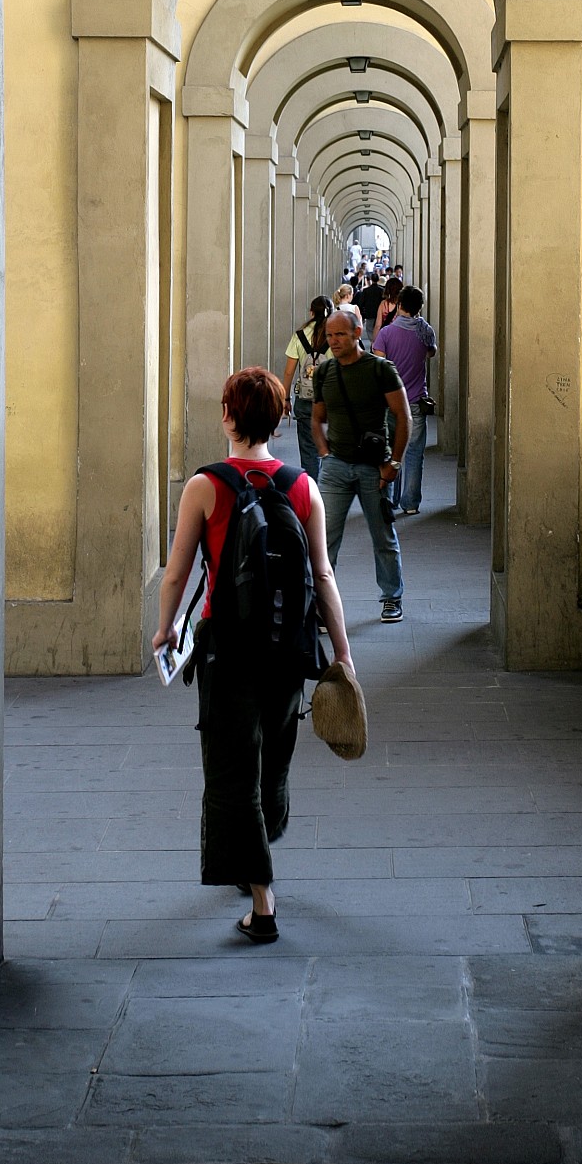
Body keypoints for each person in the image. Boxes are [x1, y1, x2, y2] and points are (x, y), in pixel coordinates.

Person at [152, 366, 354, 945]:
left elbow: (177, 573)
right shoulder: (303, 487)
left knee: (231, 767)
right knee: (271, 761)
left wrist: (165, 630)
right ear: (280, 419)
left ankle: (262, 903)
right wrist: (342, 653)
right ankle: (257, 846)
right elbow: (323, 576)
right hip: (288, 649)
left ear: (227, 416)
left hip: (228, 648)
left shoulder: (205, 486)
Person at [311, 308, 410, 622]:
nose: (334, 341)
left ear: (357, 333)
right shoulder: (325, 373)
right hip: (336, 467)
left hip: (373, 467)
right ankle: (322, 607)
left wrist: (394, 463)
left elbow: (403, 416)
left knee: (383, 536)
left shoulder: (380, 370)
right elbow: (317, 418)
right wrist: (325, 454)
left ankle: (392, 598)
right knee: (324, 539)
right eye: (329, 335)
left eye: (340, 334)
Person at [375, 284, 439, 514]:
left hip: (390, 403)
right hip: (416, 401)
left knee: (391, 452)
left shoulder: (386, 333)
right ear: (419, 307)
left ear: (400, 305)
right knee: (414, 453)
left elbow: (378, 361)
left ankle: (390, 498)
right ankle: (410, 503)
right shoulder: (425, 331)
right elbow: (431, 352)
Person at [281, 297, 333, 476]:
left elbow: (289, 372)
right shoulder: (335, 336)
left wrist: (286, 398)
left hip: (305, 399)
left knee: (308, 451)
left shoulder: (299, 335)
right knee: (332, 450)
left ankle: (312, 489)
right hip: (330, 401)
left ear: (311, 312)